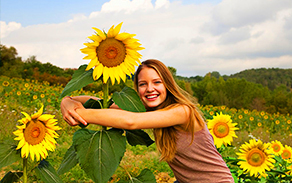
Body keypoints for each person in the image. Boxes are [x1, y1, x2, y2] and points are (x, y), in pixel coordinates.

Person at [61, 59, 234, 183]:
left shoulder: (183, 111)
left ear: (168, 85)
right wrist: (68, 100)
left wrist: (80, 113)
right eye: (143, 84)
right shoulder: (152, 111)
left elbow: (131, 122)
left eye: (157, 82)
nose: (150, 88)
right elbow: (101, 103)